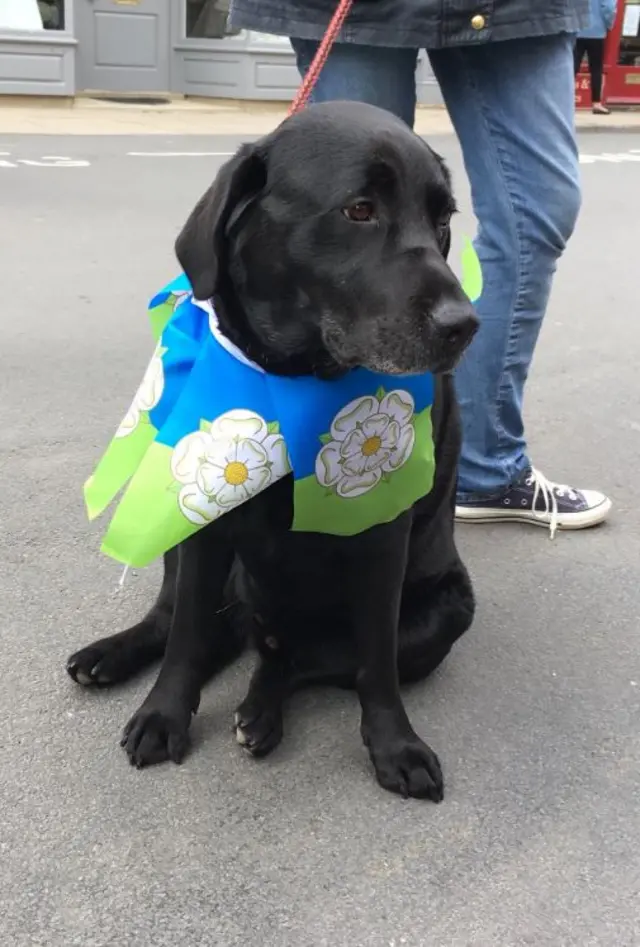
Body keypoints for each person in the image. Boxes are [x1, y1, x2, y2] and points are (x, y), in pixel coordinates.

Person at [228, 0, 612, 534]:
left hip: (522, 7)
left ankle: (482, 466)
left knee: (538, 208)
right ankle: (324, 467)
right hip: (362, 9)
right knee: (345, 193)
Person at [574, 0, 618, 115]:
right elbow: (609, 7)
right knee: (596, 69)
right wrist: (609, 25)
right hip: (596, 31)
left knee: (572, 67)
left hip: (577, 29)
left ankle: (563, 101)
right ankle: (596, 103)